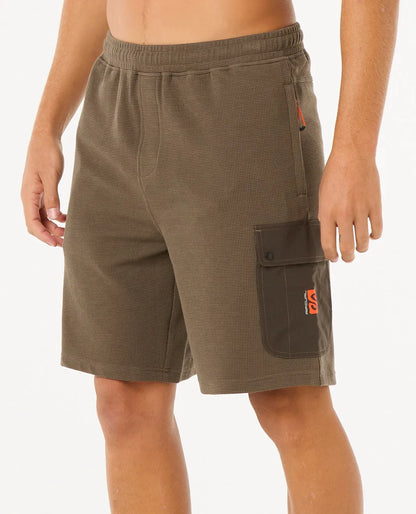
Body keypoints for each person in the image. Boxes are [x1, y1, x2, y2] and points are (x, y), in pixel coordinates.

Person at [20, 0, 399, 512]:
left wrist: (356, 149)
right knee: (124, 401)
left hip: (243, 97)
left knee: (288, 398)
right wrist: (46, 125)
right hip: (114, 104)